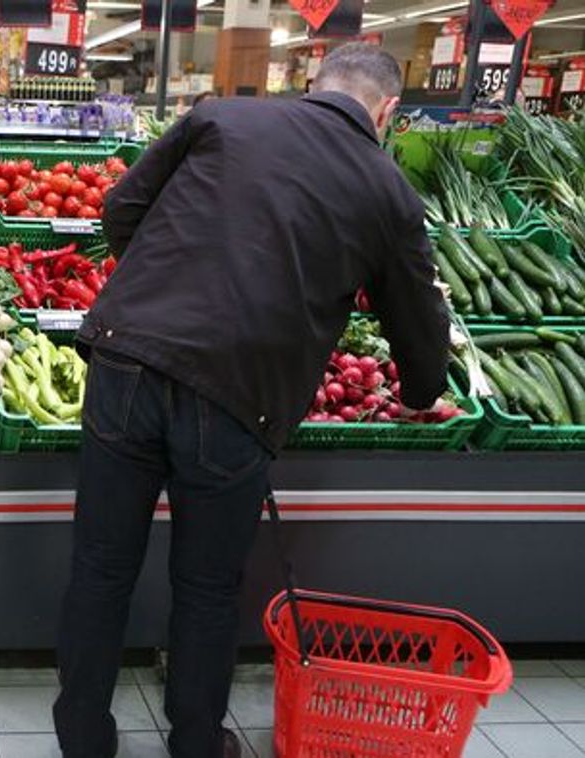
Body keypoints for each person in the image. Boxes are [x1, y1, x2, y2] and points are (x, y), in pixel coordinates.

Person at [52, 43, 450, 758]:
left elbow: (120, 209)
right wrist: (421, 392)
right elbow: (417, 322)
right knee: (207, 586)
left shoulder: (223, 118)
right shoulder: (387, 190)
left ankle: (82, 738)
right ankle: (196, 741)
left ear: (313, 84)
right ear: (387, 111)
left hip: (128, 359)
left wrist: (164, 291)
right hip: (239, 394)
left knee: (100, 567)